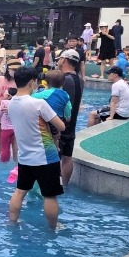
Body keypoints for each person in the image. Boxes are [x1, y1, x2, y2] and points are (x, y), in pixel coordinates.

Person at [7, 67, 67, 229]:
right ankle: (53, 227)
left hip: (25, 157)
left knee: (20, 191)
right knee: (50, 195)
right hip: (45, 157)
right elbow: (61, 126)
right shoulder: (38, 103)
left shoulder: (11, 104)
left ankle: (12, 221)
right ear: (32, 82)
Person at [57, 50, 83, 186]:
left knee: (55, 158)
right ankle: (64, 185)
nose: (58, 61)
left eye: (59, 59)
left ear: (65, 60)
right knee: (67, 157)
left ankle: (53, 186)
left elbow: (59, 104)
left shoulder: (65, 80)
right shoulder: (79, 79)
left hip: (61, 126)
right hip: (72, 125)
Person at [0, 61, 20, 157]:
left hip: (13, 116)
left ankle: (15, 160)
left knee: (14, 140)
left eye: (17, 69)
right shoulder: (0, 79)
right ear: (8, 69)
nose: (15, 71)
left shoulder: (19, 82)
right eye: (13, 69)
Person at [0, 88, 18, 163]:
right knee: (15, 145)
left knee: (5, 147)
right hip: (14, 128)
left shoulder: (4, 102)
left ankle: (4, 161)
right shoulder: (16, 102)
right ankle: (15, 160)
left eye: (5, 92)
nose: (4, 93)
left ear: (9, 96)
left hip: (6, 129)